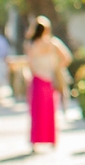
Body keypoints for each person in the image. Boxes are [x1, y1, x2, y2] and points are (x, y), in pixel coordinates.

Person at [24, 17, 72, 151]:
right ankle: (52, 140)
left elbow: (30, 64)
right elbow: (67, 57)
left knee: (37, 112)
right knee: (50, 112)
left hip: (38, 80)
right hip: (49, 80)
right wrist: (56, 67)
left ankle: (36, 141)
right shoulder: (52, 43)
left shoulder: (32, 44)